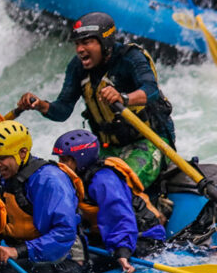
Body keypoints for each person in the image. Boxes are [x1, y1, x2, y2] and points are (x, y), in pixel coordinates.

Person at [16, 11, 175, 189]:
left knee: (116, 186)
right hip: (107, 146)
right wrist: (40, 105)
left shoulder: (130, 57)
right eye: (77, 44)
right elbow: (63, 109)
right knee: (75, 184)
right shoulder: (77, 67)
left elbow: (151, 90)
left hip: (148, 142)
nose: (79, 49)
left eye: (86, 42)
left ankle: (150, 212)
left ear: (105, 42)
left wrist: (124, 98)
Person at [0, 121, 84, 273]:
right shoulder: (1, 180)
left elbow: (64, 233)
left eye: (2, 158)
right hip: (26, 258)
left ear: (23, 152)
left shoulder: (49, 180)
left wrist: (19, 251)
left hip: (61, 263)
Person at [52, 129, 166, 273]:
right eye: (60, 159)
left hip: (140, 239)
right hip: (108, 237)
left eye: (65, 159)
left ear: (80, 158)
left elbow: (119, 216)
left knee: (83, 266)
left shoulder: (104, 180)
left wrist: (123, 252)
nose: (60, 164)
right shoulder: (78, 178)